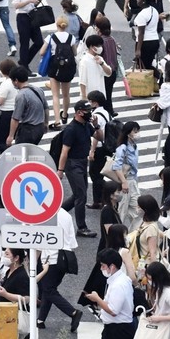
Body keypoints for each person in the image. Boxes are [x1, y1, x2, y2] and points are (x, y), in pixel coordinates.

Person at [86, 249, 136, 339]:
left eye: (103, 266)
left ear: (112, 266)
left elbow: (113, 310)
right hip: (122, 329)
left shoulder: (118, 284)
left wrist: (97, 299)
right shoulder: (121, 279)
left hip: (117, 330)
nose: (101, 269)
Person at [57, 100, 97, 238]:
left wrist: (96, 126)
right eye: (87, 111)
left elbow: (99, 136)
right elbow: (64, 151)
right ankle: (81, 227)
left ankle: (57, 213)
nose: (90, 113)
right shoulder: (71, 129)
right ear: (79, 112)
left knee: (78, 193)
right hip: (72, 164)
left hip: (82, 162)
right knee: (81, 195)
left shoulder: (86, 125)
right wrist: (60, 170)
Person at [5, 66, 49, 147]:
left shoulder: (21, 95)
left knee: (22, 154)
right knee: (32, 152)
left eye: (12, 80)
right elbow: (46, 107)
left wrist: (11, 136)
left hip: (27, 131)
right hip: (39, 128)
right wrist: (46, 123)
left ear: (16, 81)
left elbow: (15, 118)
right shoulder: (38, 89)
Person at [11, 0, 43, 70]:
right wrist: (30, 0)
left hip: (33, 16)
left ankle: (23, 62)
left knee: (39, 42)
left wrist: (37, 1)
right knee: (24, 43)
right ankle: (24, 66)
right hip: (22, 17)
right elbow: (16, 5)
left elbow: (36, 0)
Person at [112, 122, 141, 230]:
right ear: (128, 133)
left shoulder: (133, 146)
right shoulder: (123, 147)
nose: (137, 133)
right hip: (126, 182)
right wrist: (124, 182)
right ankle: (116, 234)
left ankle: (132, 235)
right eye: (135, 131)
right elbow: (116, 166)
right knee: (122, 211)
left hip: (133, 181)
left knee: (137, 210)